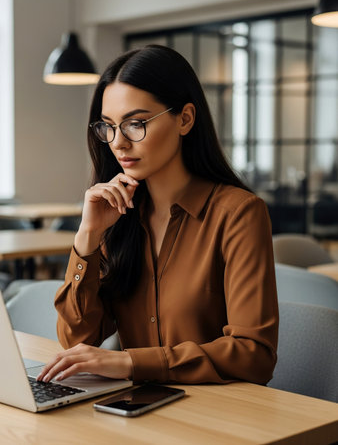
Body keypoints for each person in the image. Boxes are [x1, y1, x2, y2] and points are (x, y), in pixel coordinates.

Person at [38, 45, 278, 385]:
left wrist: (129, 363)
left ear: (185, 119)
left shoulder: (239, 214)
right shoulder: (118, 216)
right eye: (108, 126)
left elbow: (254, 355)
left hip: (215, 416)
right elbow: (77, 340)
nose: (118, 143)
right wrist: (88, 237)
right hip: (136, 412)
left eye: (135, 124)